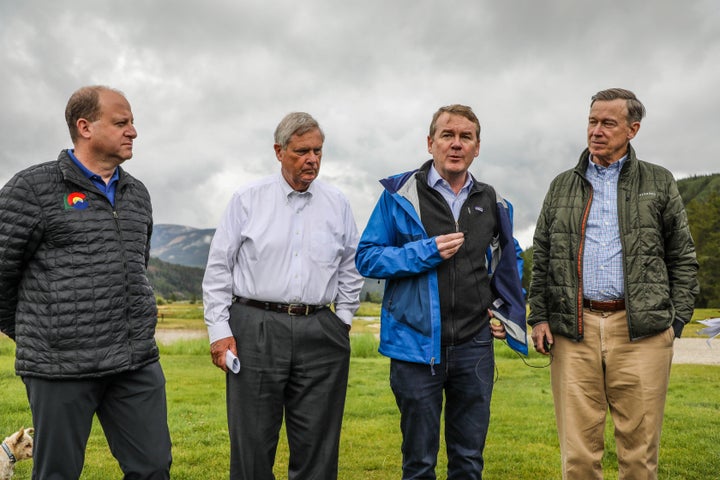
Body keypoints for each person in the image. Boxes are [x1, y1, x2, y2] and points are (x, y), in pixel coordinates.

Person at [0, 85, 172, 479]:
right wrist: (35, 333)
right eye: (121, 122)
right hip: (59, 366)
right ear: (85, 127)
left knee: (153, 468)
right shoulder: (33, 189)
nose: (133, 131)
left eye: (132, 122)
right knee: (58, 472)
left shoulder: (137, 194)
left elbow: (136, 267)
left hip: (134, 362)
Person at [528, 88, 699, 479]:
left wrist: (674, 324)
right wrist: (539, 316)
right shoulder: (561, 185)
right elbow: (543, 256)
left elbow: (683, 258)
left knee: (639, 456)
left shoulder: (659, 181)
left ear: (633, 129)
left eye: (608, 123)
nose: (597, 131)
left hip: (641, 332)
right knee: (578, 457)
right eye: (592, 121)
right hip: (575, 330)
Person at [355, 104, 526, 479]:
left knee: (468, 461)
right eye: (447, 135)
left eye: (466, 137)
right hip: (415, 347)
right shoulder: (399, 194)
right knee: (419, 463)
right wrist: (425, 252)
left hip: (474, 347)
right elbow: (367, 258)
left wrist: (502, 310)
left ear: (477, 147)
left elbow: (510, 263)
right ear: (430, 142)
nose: (456, 144)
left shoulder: (491, 200)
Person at [202, 112, 363, 480]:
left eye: (318, 151)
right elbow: (219, 268)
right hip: (254, 327)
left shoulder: (337, 202)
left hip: (321, 328)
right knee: (253, 444)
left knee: (318, 446)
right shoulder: (247, 199)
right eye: (302, 151)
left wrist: (344, 319)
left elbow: (351, 264)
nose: (312, 160)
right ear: (279, 151)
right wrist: (218, 330)